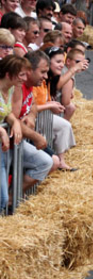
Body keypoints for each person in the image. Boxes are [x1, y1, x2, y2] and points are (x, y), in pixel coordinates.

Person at [14, 50, 58, 191]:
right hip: (7, 144)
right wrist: (35, 136)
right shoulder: (17, 87)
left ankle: (11, 200)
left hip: (17, 142)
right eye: (42, 72)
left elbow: (32, 103)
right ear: (29, 70)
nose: (45, 76)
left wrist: (32, 116)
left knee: (46, 162)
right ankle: (9, 200)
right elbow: (13, 120)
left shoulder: (30, 85)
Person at [0, 55, 26, 208]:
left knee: (2, 198)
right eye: (21, 74)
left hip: (2, 149)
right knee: (2, 198)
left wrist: (14, 122)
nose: (25, 78)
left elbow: (6, 112)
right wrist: (2, 131)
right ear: (9, 74)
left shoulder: (9, 90)